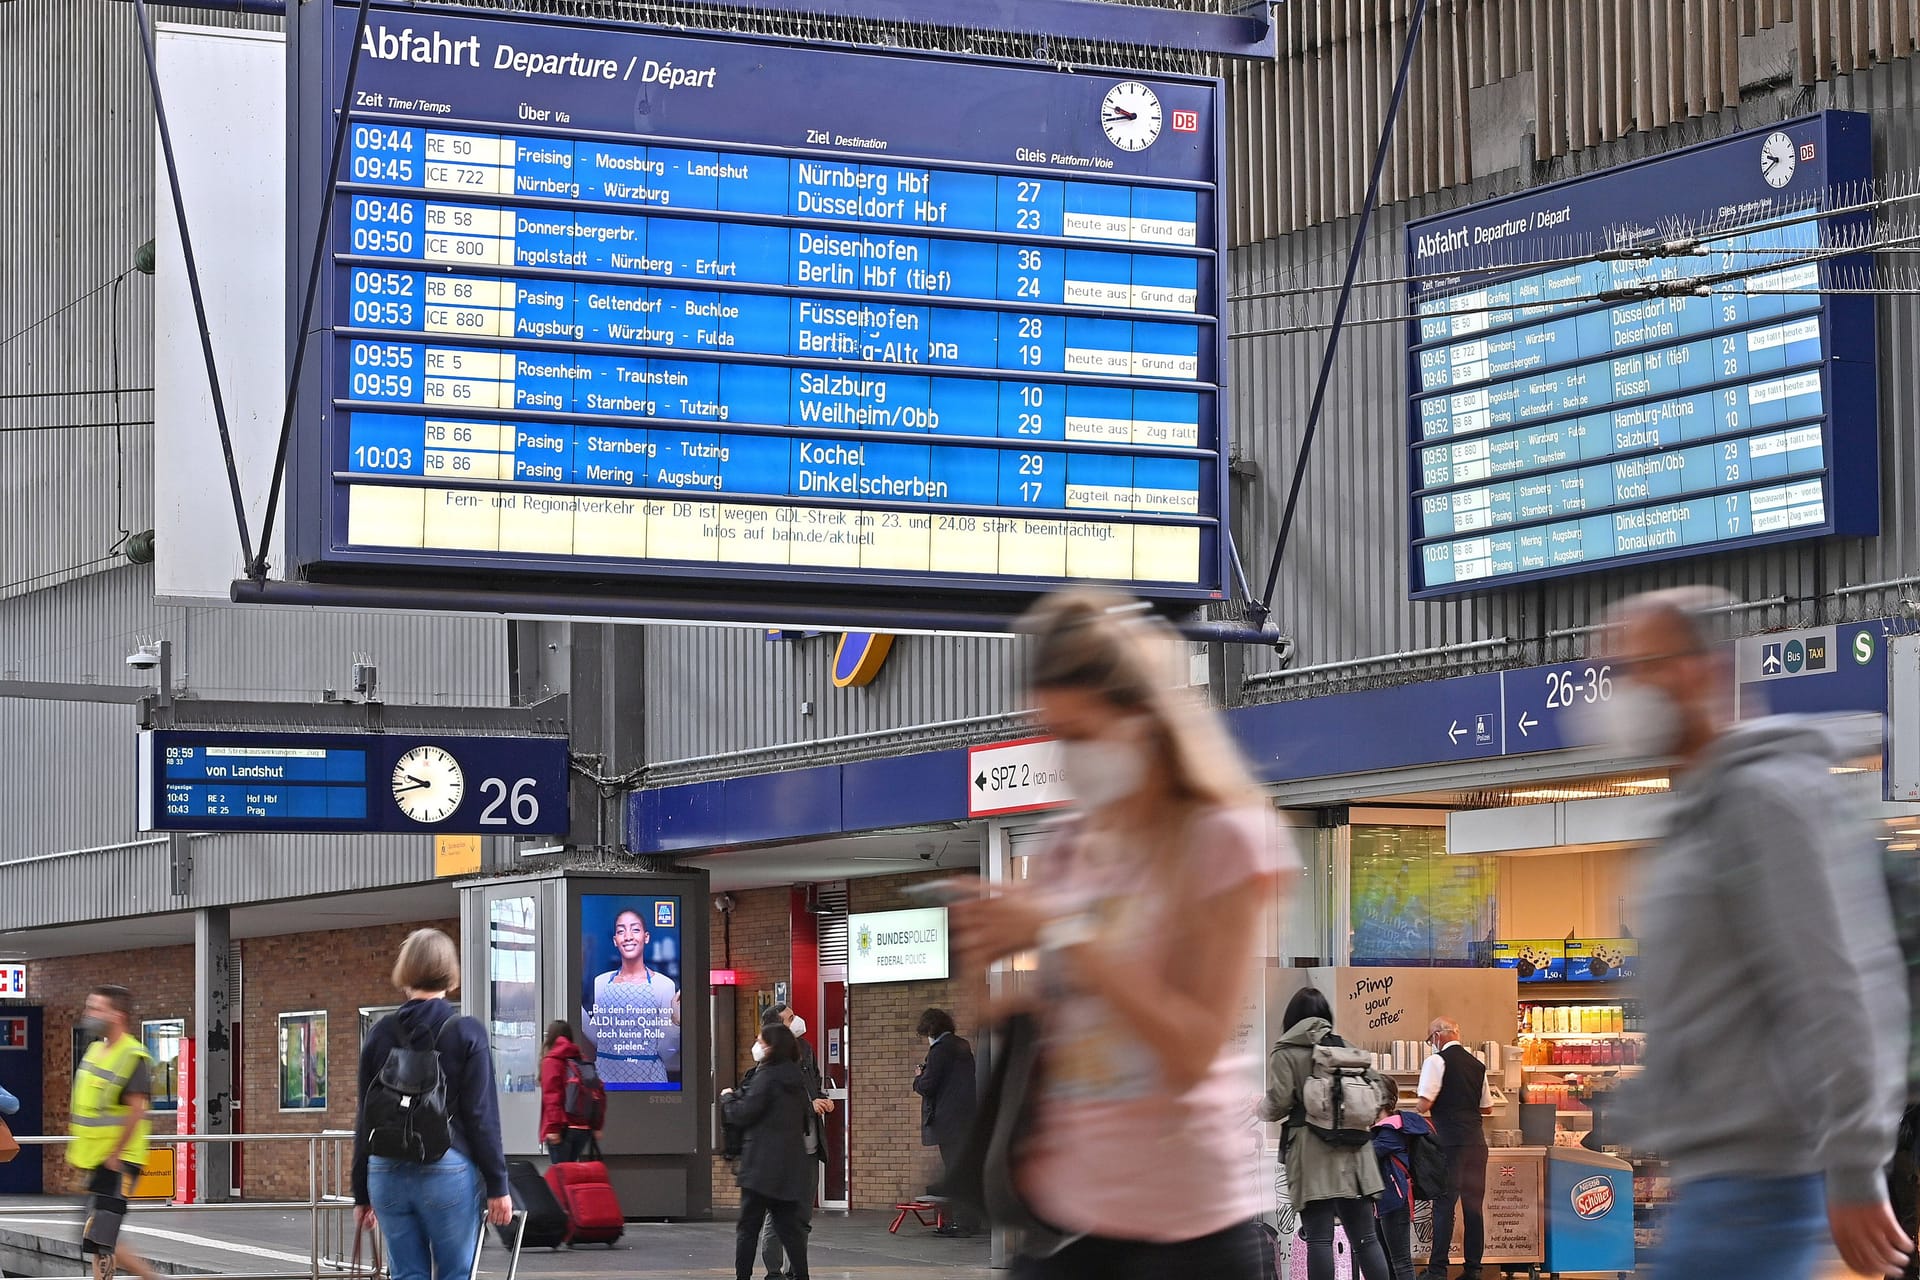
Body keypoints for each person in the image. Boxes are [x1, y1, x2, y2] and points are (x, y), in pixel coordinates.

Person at [954, 587, 1288, 1279]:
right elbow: (1069, 1027)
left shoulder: (1223, 841)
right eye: (1052, 734)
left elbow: (1193, 1047)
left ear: (1143, 719)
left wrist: (1063, 927)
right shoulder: (1068, 845)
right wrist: (989, 977)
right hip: (1066, 1216)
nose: (1066, 757)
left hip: (1189, 1229)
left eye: (1079, 734)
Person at [1592, 588, 1909, 1280]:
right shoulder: (1690, 818)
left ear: (1700, 671)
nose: (1624, 691)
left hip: (1762, 1183)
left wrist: (1856, 1164)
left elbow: (1840, 981)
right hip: (1715, 1183)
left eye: (1640, 667)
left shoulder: (1766, 798)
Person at [353, 929, 512, 1280]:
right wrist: (498, 1185)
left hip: (386, 1170)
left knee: (406, 1275)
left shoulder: (380, 1033)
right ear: (449, 973)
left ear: (405, 971)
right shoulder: (466, 1031)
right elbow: (481, 1116)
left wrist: (360, 1193)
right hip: (447, 1168)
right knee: (455, 1274)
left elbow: (365, 1117)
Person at [1261, 987, 1394, 1280]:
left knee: (1319, 1238)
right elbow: (1380, 1090)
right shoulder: (1345, 1048)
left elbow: (1279, 1103)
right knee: (1366, 1239)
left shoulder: (1286, 1052)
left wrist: (1257, 1108)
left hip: (1312, 1157)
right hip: (1356, 1155)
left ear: (1292, 1017)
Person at [69, 984, 158, 1280]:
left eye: (96, 1008)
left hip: (118, 1160)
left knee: (101, 1237)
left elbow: (137, 1110)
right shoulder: (96, 1050)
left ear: (117, 1015)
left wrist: (116, 1154)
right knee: (98, 1238)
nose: (88, 1014)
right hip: (98, 1160)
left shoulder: (133, 1056)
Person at [721, 1023, 814, 1280]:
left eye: (761, 1042)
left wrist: (728, 1098)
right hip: (788, 1167)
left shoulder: (766, 1076)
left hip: (760, 1168)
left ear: (772, 1046)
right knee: (789, 1230)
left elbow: (743, 1114)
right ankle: (802, 1276)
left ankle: (743, 1277)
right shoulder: (796, 1078)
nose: (757, 1046)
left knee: (748, 1229)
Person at [756, 1004, 832, 1280]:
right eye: (790, 1018)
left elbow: (816, 1084)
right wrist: (809, 1105)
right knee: (777, 1214)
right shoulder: (768, 1060)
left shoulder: (807, 1050)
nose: (797, 1020)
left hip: (809, 1147)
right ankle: (773, 1271)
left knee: (802, 1216)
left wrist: (822, 1100)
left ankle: (795, 1270)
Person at [1414, 1017, 1491, 1280]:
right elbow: (1487, 1107)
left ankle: (1437, 1271)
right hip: (1477, 1144)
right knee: (1473, 1207)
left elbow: (1424, 1103)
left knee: (1444, 1207)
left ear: (1438, 1035)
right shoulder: (1478, 1065)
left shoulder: (1436, 1061)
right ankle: (1473, 1270)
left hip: (1449, 1144)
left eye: (1429, 1039)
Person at [585, 908, 681, 1087]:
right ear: (615, 941)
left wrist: (675, 1021)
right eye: (621, 931)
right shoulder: (601, 982)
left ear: (646, 937)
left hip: (650, 1081)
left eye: (635, 929)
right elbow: (600, 1039)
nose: (628, 936)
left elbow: (665, 1052)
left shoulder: (664, 984)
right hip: (606, 1081)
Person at [913, 1007, 977, 1237]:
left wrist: (919, 1077)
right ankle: (971, 1220)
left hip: (948, 1121)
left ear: (929, 1028)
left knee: (954, 1169)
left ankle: (961, 1223)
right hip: (967, 1118)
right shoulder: (962, 1046)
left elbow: (928, 1085)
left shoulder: (939, 1051)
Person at [1372, 1076, 1436, 1280]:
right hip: (1384, 1201)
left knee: (1400, 1261)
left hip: (1393, 1201)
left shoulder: (1390, 1131)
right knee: (1388, 1259)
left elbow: (1366, 1155)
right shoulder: (1387, 1128)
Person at [538, 1019, 597, 1163]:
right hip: (583, 1128)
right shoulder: (581, 1059)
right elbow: (598, 1091)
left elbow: (552, 1096)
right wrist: (597, 1124)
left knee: (561, 1178)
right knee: (570, 1175)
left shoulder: (551, 1061)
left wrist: (552, 1128)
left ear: (550, 1037)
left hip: (562, 1129)